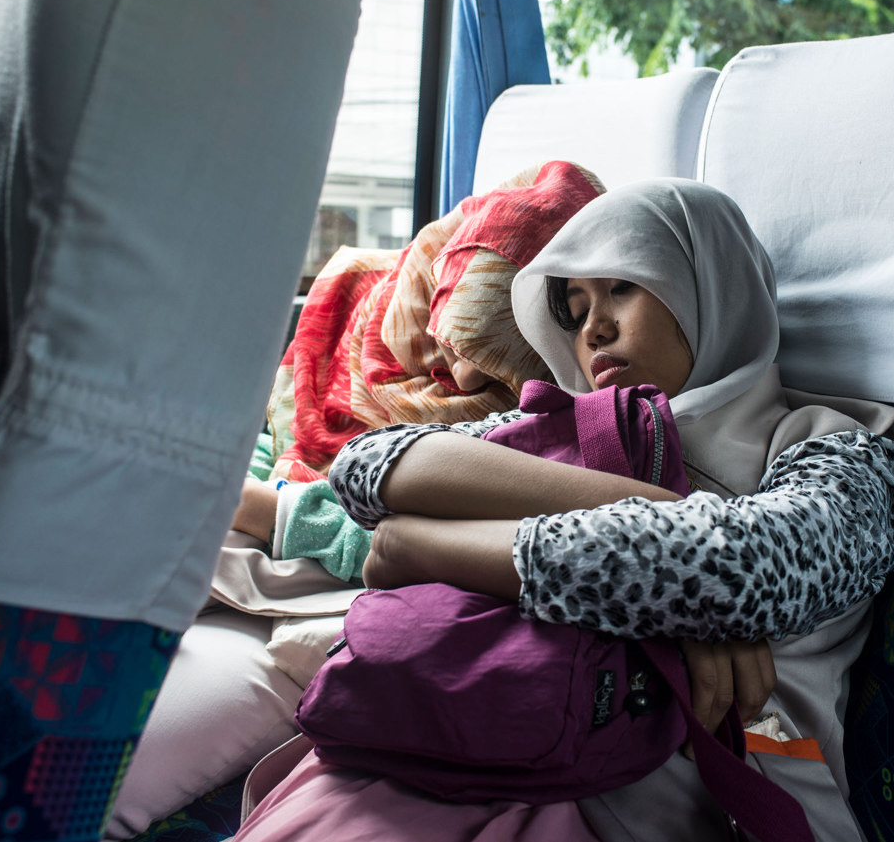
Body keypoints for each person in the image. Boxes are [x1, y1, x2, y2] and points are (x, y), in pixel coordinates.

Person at [233, 178, 894, 842]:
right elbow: (368, 465)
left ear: (711, 286)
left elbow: (739, 568)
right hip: (462, 726)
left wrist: (421, 545)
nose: (594, 327)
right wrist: (662, 526)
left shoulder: (837, 448)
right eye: (575, 305)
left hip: (660, 790)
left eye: (623, 285)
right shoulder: (572, 428)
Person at [105, 161, 605, 839]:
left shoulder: (550, 409)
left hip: (323, 601)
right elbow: (278, 429)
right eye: (457, 335)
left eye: (496, 363)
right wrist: (225, 488)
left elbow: (415, 538)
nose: (457, 376)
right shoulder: (355, 291)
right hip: (231, 537)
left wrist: (264, 508)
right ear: (440, 278)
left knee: (97, 752)